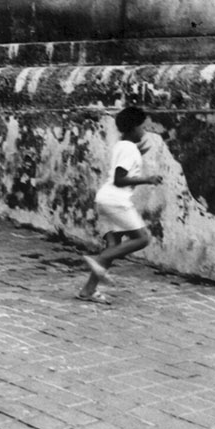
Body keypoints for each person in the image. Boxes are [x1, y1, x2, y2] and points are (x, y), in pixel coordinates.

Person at [77, 106, 163, 304]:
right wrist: (147, 179)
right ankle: (97, 260)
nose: (144, 131)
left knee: (114, 246)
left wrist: (138, 152)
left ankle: (88, 290)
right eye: (142, 127)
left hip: (105, 199)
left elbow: (124, 166)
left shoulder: (123, 145)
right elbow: (119, 179)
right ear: (133, 127)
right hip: (116, 200)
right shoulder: (129, 149)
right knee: (142, 239)